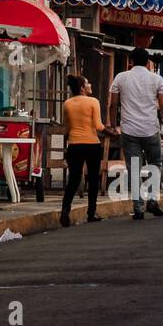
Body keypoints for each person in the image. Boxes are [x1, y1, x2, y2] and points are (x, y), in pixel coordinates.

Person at [108, 47, 163, 220]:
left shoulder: (120, 77)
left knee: (134, 169)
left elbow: (113, 105)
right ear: (148, 62)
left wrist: (113, 126)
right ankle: (152, 199)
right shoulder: (157, 79)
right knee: (155, 164)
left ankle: (138, 207)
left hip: (129, 131)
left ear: (131, 61)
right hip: (151, 129)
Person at [60, 75, 107, 226]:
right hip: (92, 144)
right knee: (93, 179)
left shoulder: (67, 104)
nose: (90, 84)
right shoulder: (93, 102)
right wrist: (113, 133)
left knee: (73, 179)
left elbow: (67, 128)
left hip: (74, 145)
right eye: (87, 83)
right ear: (82, 88)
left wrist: (67, 146)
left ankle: (65, 211)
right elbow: (99, 126)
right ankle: (91, 213)